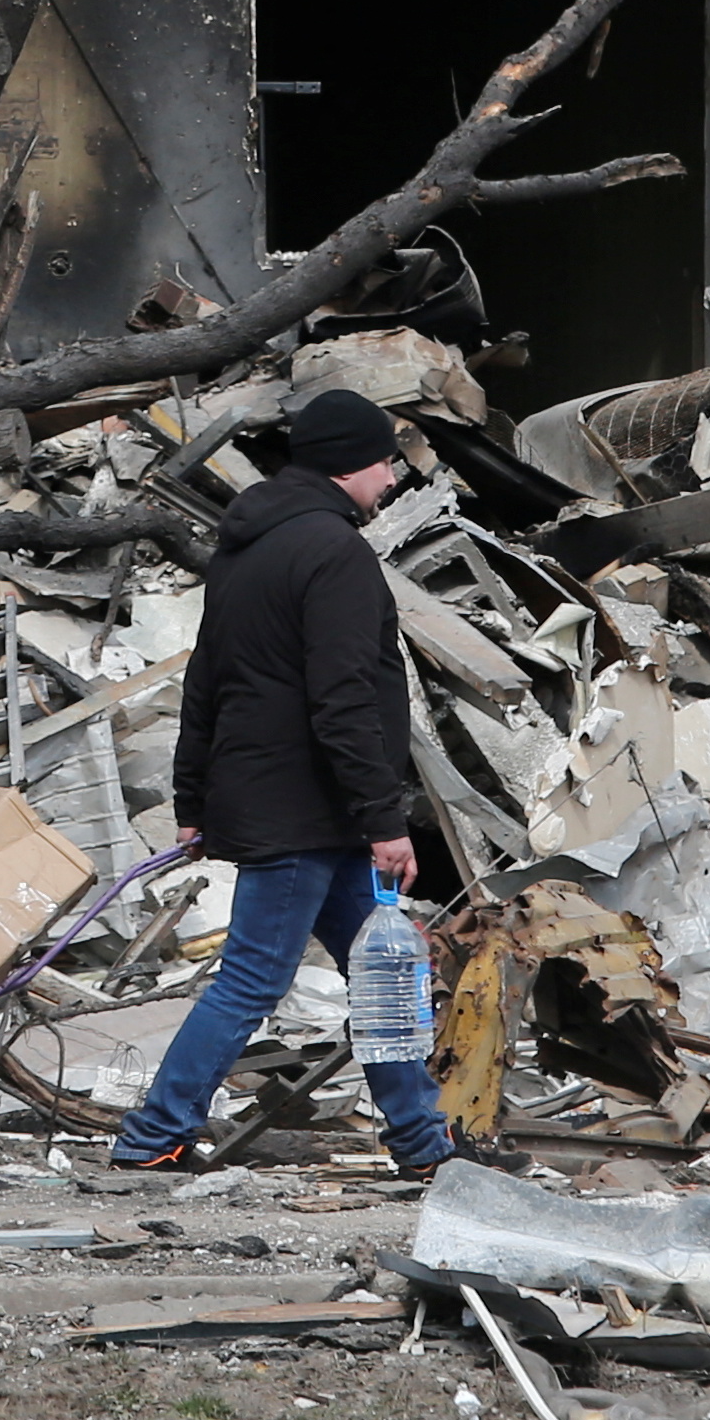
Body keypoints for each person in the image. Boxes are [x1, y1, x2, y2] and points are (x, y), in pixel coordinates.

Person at [105, 384, 504, 1175]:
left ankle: (424, 1144)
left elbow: (206, 681)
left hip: (289, 804)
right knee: (253, 980)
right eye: (386, 461)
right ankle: (153, 1136)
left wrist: (192, 799)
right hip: (306, 811)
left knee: (385, 975)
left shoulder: (244, 549)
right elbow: (345, 695)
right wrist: (385, 819)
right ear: (349, 465)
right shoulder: (334, 552)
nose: (393, 477)